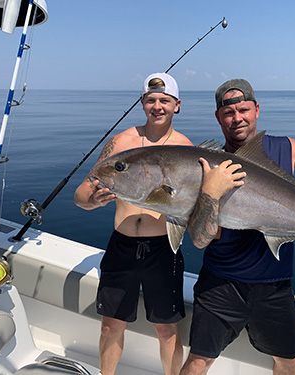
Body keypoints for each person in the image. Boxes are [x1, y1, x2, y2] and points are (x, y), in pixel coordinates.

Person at [180, 79, 295, 375]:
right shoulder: (208, 166)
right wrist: (210, 193)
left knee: (288, 362)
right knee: (198, 361)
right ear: (218, 117)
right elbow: (201, 239)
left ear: (256, 110)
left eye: (243, 109)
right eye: (228, 113)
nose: (237, 118)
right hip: (220, 284)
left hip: (275, 286)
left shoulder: (285, 148)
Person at [74, 72, 193, 375]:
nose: (157, 106)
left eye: (164, 100)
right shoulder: (119, 143)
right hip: (122, 246)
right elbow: (82, 193)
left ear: (177, 105)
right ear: (142, 103)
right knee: (110, 327)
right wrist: (93, 200)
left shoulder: (184, 148)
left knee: (166, 330)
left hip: (163, 247)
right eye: (151, 100)